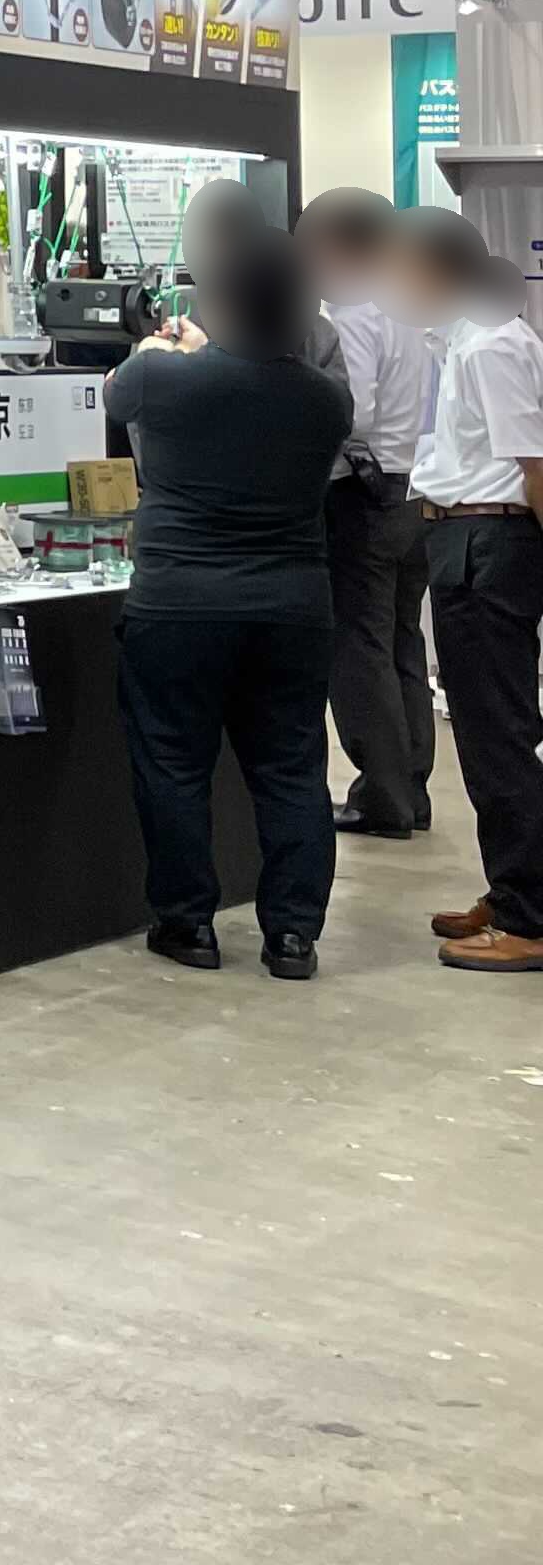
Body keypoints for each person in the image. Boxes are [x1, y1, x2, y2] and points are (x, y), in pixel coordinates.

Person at [106, 233, 352, 978]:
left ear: (220, 299)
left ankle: (188, 924)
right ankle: (293, 935)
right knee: (291, 768)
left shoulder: (160, 377)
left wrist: (172, 348)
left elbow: (117, 393)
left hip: (178, 603)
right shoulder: (326, 400)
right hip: (293, 606)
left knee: (173, 764)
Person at [408, 212, 543, 975]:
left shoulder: (491, 345)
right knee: (488, 733)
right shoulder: (463, 341)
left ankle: (529, 916)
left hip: (489, 542)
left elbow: (534, 463)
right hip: (465, 539)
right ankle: (515, 887)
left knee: (499, 737)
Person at [303, 189, 440, 840]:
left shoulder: (353, 309)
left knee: (360, 648)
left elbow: (350, 412)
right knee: (402, 640)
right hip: (412, 488)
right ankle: (411, 788)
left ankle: (382, 796)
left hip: (363, 494)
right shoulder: (407, 302)